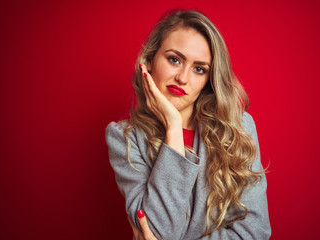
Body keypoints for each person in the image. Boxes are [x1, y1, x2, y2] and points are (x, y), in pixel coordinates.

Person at [106, 10, 271, 240]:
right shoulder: (124, 138)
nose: (183, 78)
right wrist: (173, 128)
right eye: (174, 59)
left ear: (208, 80)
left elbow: (255, 231)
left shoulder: (238, 127)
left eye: (199, 69)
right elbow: (158, 232)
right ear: (150, 61)